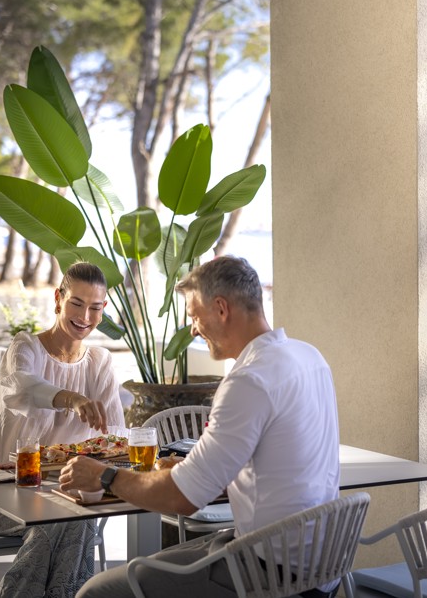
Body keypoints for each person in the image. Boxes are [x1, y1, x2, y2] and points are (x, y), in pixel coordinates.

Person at [60, 256, 341, 598]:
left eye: (194, 316)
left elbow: (183, 499)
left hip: (271, 571)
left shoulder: (248, 381)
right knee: (157, 561)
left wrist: (103, 476)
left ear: (221, 309)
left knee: (98, 592)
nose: (192, 329)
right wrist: (192, 469)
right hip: (323, 564)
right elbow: (275, 462)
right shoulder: (309, 357)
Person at [0, 261, 125, 597]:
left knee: (73, 515)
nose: (85, 316)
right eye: (76, 303)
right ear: (58, 299)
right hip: (2, 492)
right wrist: (72, 399)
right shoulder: (25, 349)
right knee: (68, 518)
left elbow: (115, 438)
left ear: (103, 310)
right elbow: (24, 387)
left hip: (63, 492)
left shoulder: (100, 362)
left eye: (95, 308)